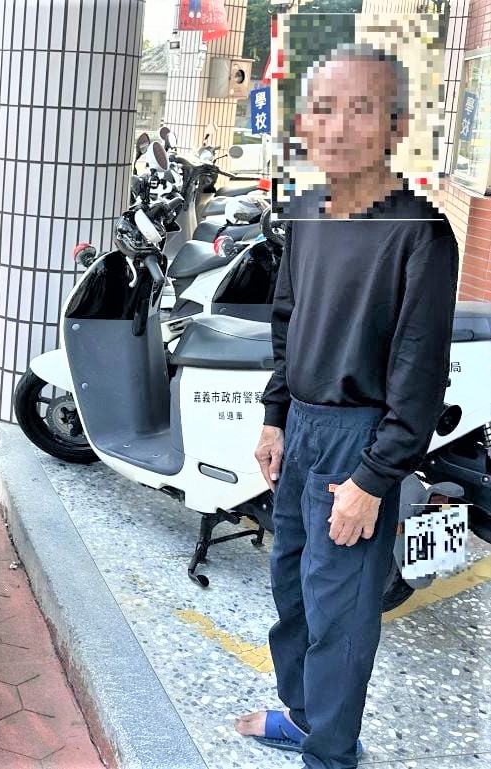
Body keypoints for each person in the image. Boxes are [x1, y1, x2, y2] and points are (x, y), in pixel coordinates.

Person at [234, 44, 458, 769]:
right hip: (300, 425)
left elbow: (418, 375)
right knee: (291, 586)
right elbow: (287, 320)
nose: (335, 127)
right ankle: (304, 717)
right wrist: (274, 417)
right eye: (323, 109)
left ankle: (331, 754)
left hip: (357, 439)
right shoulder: (306, 212)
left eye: (359, 109)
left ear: (395, 125)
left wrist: (372, 478)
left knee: (340, 609)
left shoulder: (421, 233)